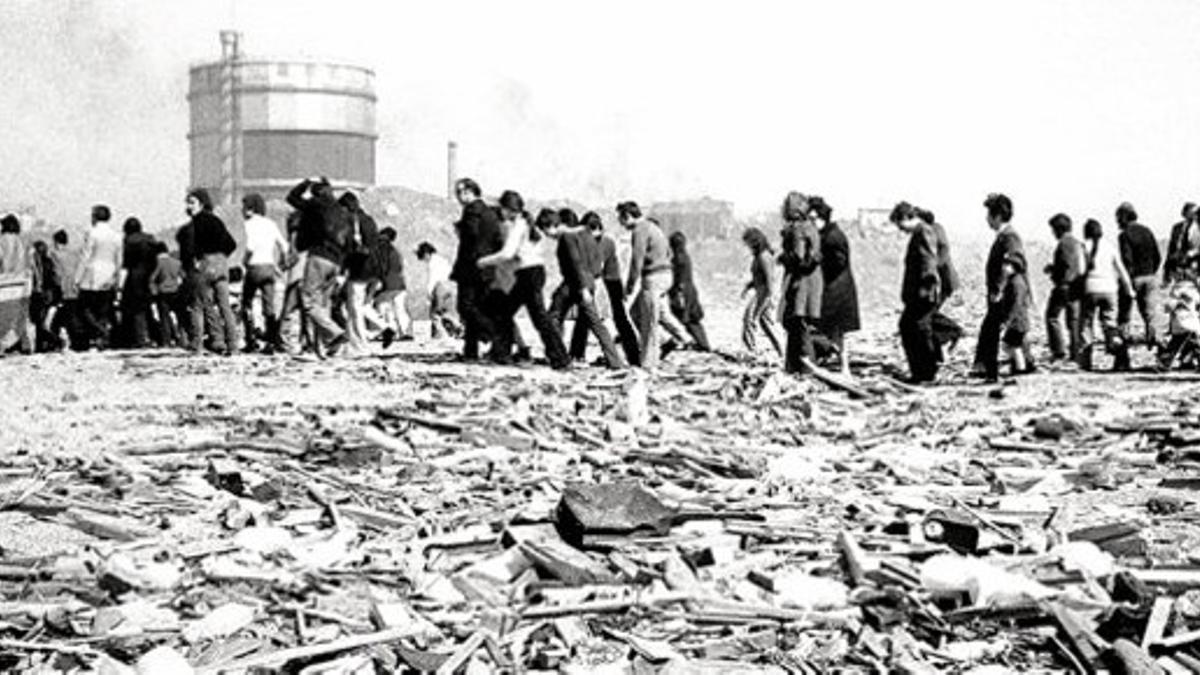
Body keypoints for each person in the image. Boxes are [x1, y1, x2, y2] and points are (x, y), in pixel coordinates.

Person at [478, 192, 570, 369]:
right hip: (531, 273)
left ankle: (559, 357)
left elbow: (508, 253)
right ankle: (501, 353)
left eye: (502, 209)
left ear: (508, 209)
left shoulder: (519, 225)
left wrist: (484, 261)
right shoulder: (525, 223)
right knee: (509, 312)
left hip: (528, 274)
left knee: (535, 317)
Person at [549, 208, 626, 369]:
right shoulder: (589, 239)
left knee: (554, 317)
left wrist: (582, 285)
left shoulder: (569, 237)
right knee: (595, 323)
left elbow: (575, 263)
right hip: (588, 282)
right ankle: (615, 361)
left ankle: (560, 357)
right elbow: (597, 266)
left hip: (575, 283)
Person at [287, 177, 352, 357]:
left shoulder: (316, 205)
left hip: (318, 257)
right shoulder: (341, 210)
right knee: (322, 306)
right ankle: (321, 349)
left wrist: (305, 182)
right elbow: (349, 242)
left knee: (308, 302)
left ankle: (334, 334)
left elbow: (291, 198)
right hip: (336, 262)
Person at [973, 193, 1033, 382]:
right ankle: (1022, 366)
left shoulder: (1009, 236)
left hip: (1009, 290)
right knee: (1010, 330)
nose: (987, 219)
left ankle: (990, 371)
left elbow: (1011, 264)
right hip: (1010, 290)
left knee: (994, 329)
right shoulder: (1006, 236)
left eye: (989, 214)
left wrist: (998, 288)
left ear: (997, 215)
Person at [569, 211, 641, 366]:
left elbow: (602, 267)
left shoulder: (606, 243)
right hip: (592, 276)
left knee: (619, 315)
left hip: (611, 276)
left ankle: (633, 355)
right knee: (585, 314)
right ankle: (577, 354)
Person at [621, 202, 685, 371]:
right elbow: (669, 253)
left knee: (648, 319)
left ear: (628, 216)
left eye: (621, 218)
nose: (620, 223)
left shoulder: (640, 229)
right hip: (665, 276)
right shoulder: (653, 227)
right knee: (637, 313)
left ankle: (649, 363)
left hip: (653, 278)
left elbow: (636, 260)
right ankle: (670, 340)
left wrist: (629, 286)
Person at [450, 178, 503, 361]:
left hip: (471, 267)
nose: (458, 197)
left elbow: (471, 236)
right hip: (488, 267)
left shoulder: (471, 211)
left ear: (468, 192)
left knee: (465, 307)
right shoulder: (490, 213)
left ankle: (493, 334)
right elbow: (497, 240)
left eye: (459, 192)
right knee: (478, 306)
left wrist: (460, 230)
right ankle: (470, 351)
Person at [892, 202, 942, 383]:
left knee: (915, 329)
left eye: (900, 225)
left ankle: (925, 373)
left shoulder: (923, 231)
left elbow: (928, 261)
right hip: (921, 292)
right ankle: (922, 372)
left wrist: (925, 288)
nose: (901, 230)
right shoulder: (921, 232)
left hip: (923, 292)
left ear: (906, 218)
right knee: (914, 329)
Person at [810, 196, 859, 375]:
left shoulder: (833, 237)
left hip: (838, 289)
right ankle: (839, 363)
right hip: (834, 287)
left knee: (835, 329)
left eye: (814, 219)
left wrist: (818, 262)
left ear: (823, 217)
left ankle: (842, 366)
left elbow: (839, 263)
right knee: (834, 330)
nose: (812, 222)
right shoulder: (828, 235)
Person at [186, 189, 238, 355]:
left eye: (191, 202)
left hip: (206, 263)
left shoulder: (197, 221)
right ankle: (233, 346)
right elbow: (231, 244)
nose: (188, 206)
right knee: (225, 306)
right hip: (222, 264)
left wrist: (198, 258)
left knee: (199, 306)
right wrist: (220, 256)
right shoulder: (217, 220)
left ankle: (197, 346)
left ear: (201, 203)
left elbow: (192, 246)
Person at [777, 192, 823, 375]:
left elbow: (798, 257)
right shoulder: (810, 226)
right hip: (810, 280)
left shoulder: (798, 229)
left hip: (801, 281)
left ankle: (805, 369)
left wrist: (782, 258)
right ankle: (795, 368)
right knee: (798, 325)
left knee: (797, 324)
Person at [1079, 218, 1133, 371]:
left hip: (1090, 289)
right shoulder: (1110, 247)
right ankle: (1118, 350)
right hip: (1110, 289)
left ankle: (1085, 361)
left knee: (1087, 324)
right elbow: (1121, 270)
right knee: (1109, 324)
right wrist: (1129, 289)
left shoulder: (1084, 247)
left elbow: (1080, 271)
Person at [240, 193, 287, 354]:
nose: (242, 210)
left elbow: (251, 246)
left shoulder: (250, 224)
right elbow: (284, 246)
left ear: (250, 209)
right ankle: (272, 342)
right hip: (269, 267)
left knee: (246, 303)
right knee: (269, 307)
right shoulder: (271, 224)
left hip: (254, 267)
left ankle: (251, 340)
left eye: (244, 207)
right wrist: (281, 263)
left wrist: (244, 260)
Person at [1116, 202, 1162, 350]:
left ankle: (1122, 356)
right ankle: (1159, 348)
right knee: (1151, 315)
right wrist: (1151, 271)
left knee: (1124, 316)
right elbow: (1157, 256)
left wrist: (1126, 281)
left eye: (1118, 218)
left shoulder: (1124, 235)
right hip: (1150, 277)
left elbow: (1127, 259)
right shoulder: (1147, 231)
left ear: (1124, 217)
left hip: (1134, 278)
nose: (1117, 222)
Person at [339, 191, 380, 355]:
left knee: (354, 308)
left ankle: (358, 345)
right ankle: (355, 342)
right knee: (357, 307)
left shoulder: (353, 221)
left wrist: (343, 268)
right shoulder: (369, 220)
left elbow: (350, 248)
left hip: (359, 270)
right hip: (371, 270)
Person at [76, 205, 122, 349]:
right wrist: (117, 279)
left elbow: (85, 256)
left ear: (94, 217)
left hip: (92, 273)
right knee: (104, 309)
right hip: (110, 272)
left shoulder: (92, 233)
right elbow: (119, 260)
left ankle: (99, 332)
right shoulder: (116, 235)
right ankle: (102, 338)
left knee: (85, 308)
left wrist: (77, 278)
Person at [1044, 213, 1087, 362]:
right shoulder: (1078, 243)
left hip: (1064, 286)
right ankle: (1075, 354)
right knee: (1074, 321)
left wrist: (1053, 272)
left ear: (1058, 229)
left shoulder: (1063, 243)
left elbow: (1065, 268)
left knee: (1052, 317)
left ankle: (1058, 351)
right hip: (1077, 287)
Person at [740, 227, 782, 357]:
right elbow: (759, 277)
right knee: (766, 324)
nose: (747, 246)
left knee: (750, 320)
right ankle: (781, 351)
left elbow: (769, 280)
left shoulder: (764, 257)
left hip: (765, 294)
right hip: (762, 292)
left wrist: (766, 300)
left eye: (748, 242)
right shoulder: (760, 256)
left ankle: (753, 350)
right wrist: (748, 286)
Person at [368, 227, 413, 347]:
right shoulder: (395, 251)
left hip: (386, 283)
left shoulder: (380, 248)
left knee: (383, 308)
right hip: (399, 283)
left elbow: (380, 266)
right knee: (400, 309)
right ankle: (406, 332)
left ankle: (383, 331)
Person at [667, 231, 710, 352]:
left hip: (683, 292)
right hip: (688, 290)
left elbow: (679, 280)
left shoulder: (679, 259)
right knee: (690, 318)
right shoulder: (684, 256)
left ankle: (702, 344)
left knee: (688, 318)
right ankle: (701, 343)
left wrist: (675, 293)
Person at [120, 217, 159, 348]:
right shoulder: (151, 239)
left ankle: (138, 338)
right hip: (148, 275)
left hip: (134, 276)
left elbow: (125, 262)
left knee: (133, 309)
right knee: (147, 308)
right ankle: (157, 336)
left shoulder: (128, 241)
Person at [0, 215, 33, 354]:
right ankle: (24, 343)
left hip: (5, 280)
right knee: (19, 315)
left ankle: (2, 345)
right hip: (22, 281)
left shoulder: (2, 240)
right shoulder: (23, 241)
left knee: (3, 315)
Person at [416, 242, 459, 340]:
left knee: (435, 315)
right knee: (446, 312)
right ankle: (458, 326)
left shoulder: (432, 263)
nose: (424, 260)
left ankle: (443, 336)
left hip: (440, 287)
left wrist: (429, 293)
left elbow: (433, 279)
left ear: (427, 254)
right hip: (451, 286)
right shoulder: (443, 260)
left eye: (423, 256)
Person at [49, 230, 83, 350]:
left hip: (63, 290)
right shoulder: (75, 254)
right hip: (75, 289)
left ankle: (58, 342)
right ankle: (75, 342)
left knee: (60, 321)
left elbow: (56, 273)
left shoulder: (55, 254)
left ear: (56, 242)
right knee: (71, 316)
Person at [150, 242, 184, 348]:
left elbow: (152, 278)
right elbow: (183, 276)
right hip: (176, 291)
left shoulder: (158, 262)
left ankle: (167, 341)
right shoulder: (176, 262)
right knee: (180, 317)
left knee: (164, 317)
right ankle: (182, 339)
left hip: (163, 292)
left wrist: (153, 290)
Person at [1160, 285, 1200, 370]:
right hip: (1190, 323)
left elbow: (1167, 307)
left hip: (1181, 323)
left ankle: (1167, 362)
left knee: (1178, 343)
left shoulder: (1176, 294)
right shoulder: (1193, 293)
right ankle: (1172, 361)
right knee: (1192, 343)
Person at [1164, 202, 1200, 285]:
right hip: (1178, 266)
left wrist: (1190, 254)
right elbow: (1171, 248)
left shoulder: (1197, 228)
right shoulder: (1177, 228)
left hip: (1194, 265)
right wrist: (1167, 269)